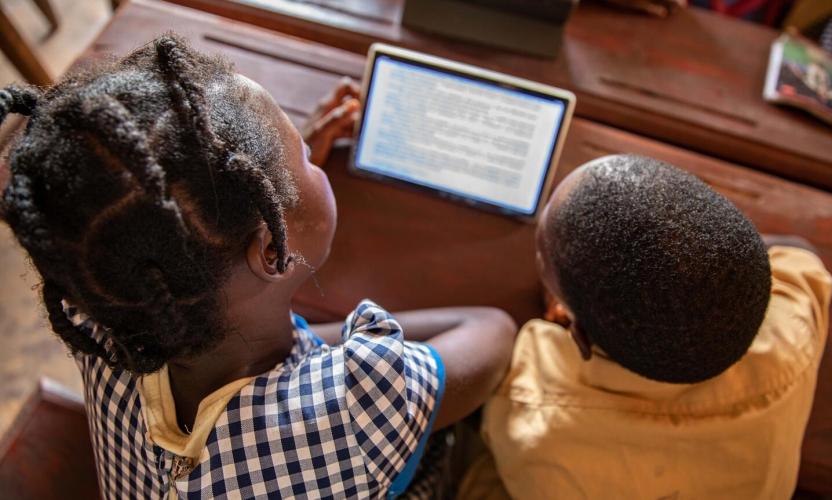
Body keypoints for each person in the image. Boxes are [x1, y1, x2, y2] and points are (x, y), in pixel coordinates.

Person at [0, 34, 517, 498]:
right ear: (272, 251)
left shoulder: (104, 304)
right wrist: (343, 347)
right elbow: (491, 332)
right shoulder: (355, 410)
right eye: (307, 157)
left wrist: (265, 185)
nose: (311, 158)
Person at [459, 154, 832, 499]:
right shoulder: (793, 335)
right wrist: (710, 270)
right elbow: (801, 251)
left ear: (579, 334)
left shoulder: (535, 418)